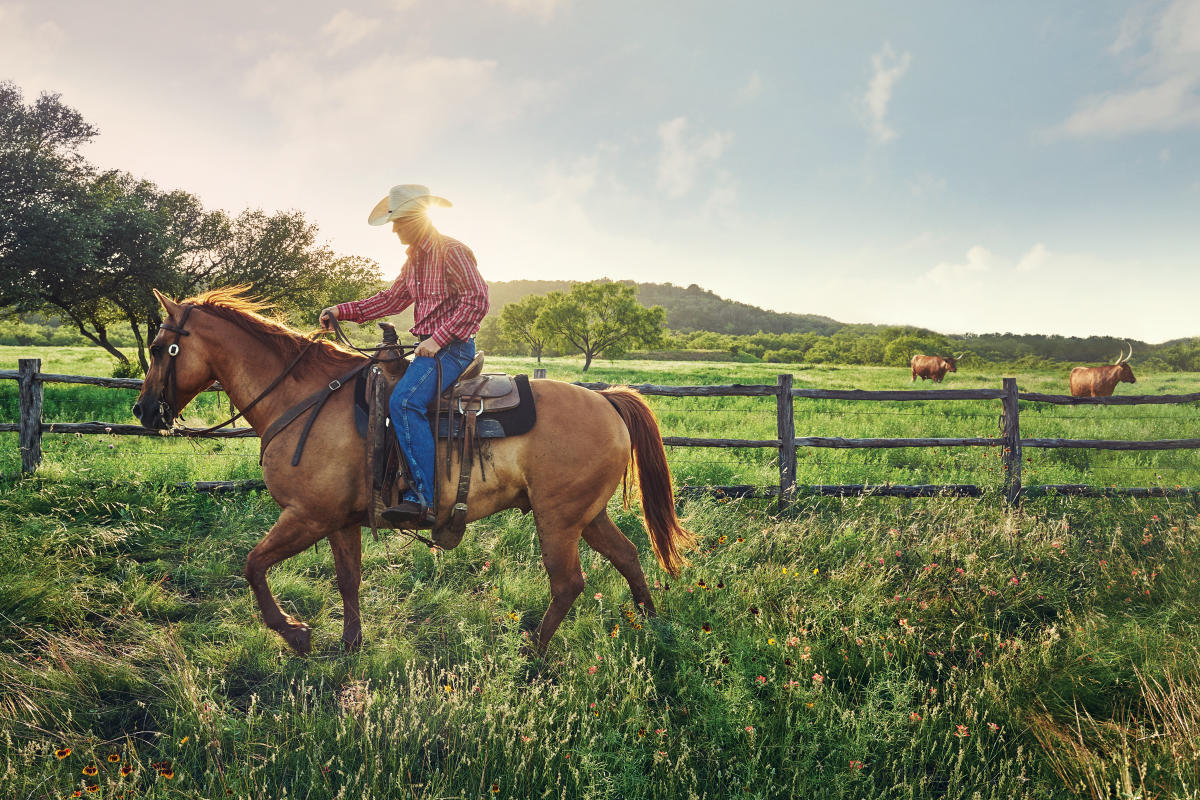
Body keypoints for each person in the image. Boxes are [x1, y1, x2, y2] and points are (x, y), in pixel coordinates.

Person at [320, 184, 489, 528]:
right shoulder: (414, 259)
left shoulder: (452, 251)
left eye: (397, 221)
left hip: (452, 349)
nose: (394, 229)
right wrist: (342, 310)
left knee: (404, 402)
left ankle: (425, 498)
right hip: (430, 347)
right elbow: (391, 300)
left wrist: (438, 340)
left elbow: (478, 300)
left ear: (416, 219)